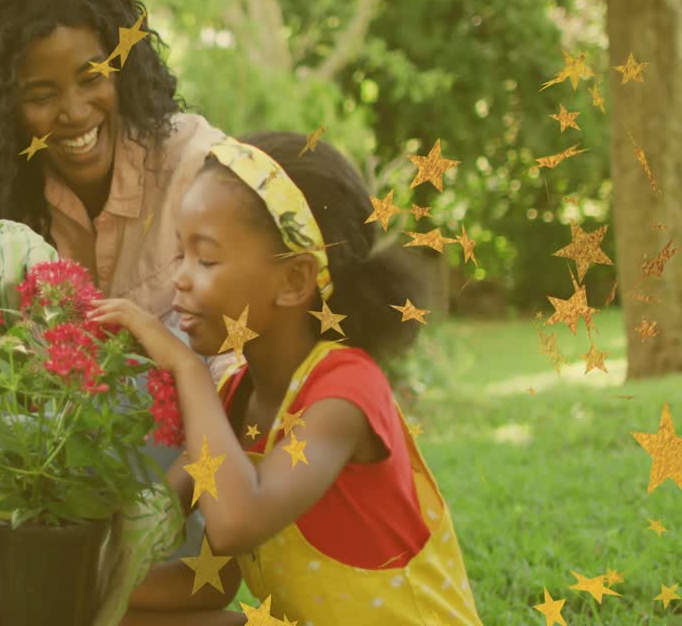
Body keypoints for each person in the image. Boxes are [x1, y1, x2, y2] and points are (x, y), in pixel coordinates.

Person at [0, 0, 238, 562]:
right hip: (42, 452)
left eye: (91, 78)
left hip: (180, 458)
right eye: (40, 94)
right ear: (0, 105)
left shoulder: (192, 162)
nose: (73, 112)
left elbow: (249, 352)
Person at [90, 133, 483, 624]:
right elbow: (207, 580)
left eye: (206, 259)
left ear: (294, 280)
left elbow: (237, 522)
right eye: (181, 255)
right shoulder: (237, 398)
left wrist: (187, 369)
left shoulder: (343, 393)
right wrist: (81, 587)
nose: (180, 280)